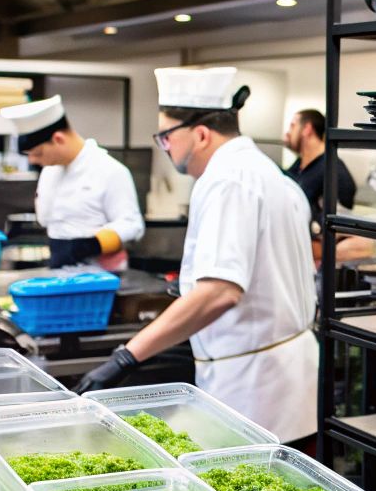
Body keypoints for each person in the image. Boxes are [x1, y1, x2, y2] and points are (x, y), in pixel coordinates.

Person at [74, 67, 318, 442]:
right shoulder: (268, 174)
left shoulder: (226, 180)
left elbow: (220, 291)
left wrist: (127, 357)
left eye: (166, 137)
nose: (165, 147)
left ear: (201, 134)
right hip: (283, 378)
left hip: (254, 387)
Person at [0, 93, 145, 269]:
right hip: (59, 269)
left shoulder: (110, 170)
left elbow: (132, 225)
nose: (33, 161)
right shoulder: (50, 171)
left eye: (37, 154)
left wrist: (89, 245)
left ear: (58, 139)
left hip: (100, 274)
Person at [283, 109, 356, 219]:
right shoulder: (298, 165)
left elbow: (336, 225)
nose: (288, 133)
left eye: (293, 126)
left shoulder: (335, 171)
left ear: (307, 129)